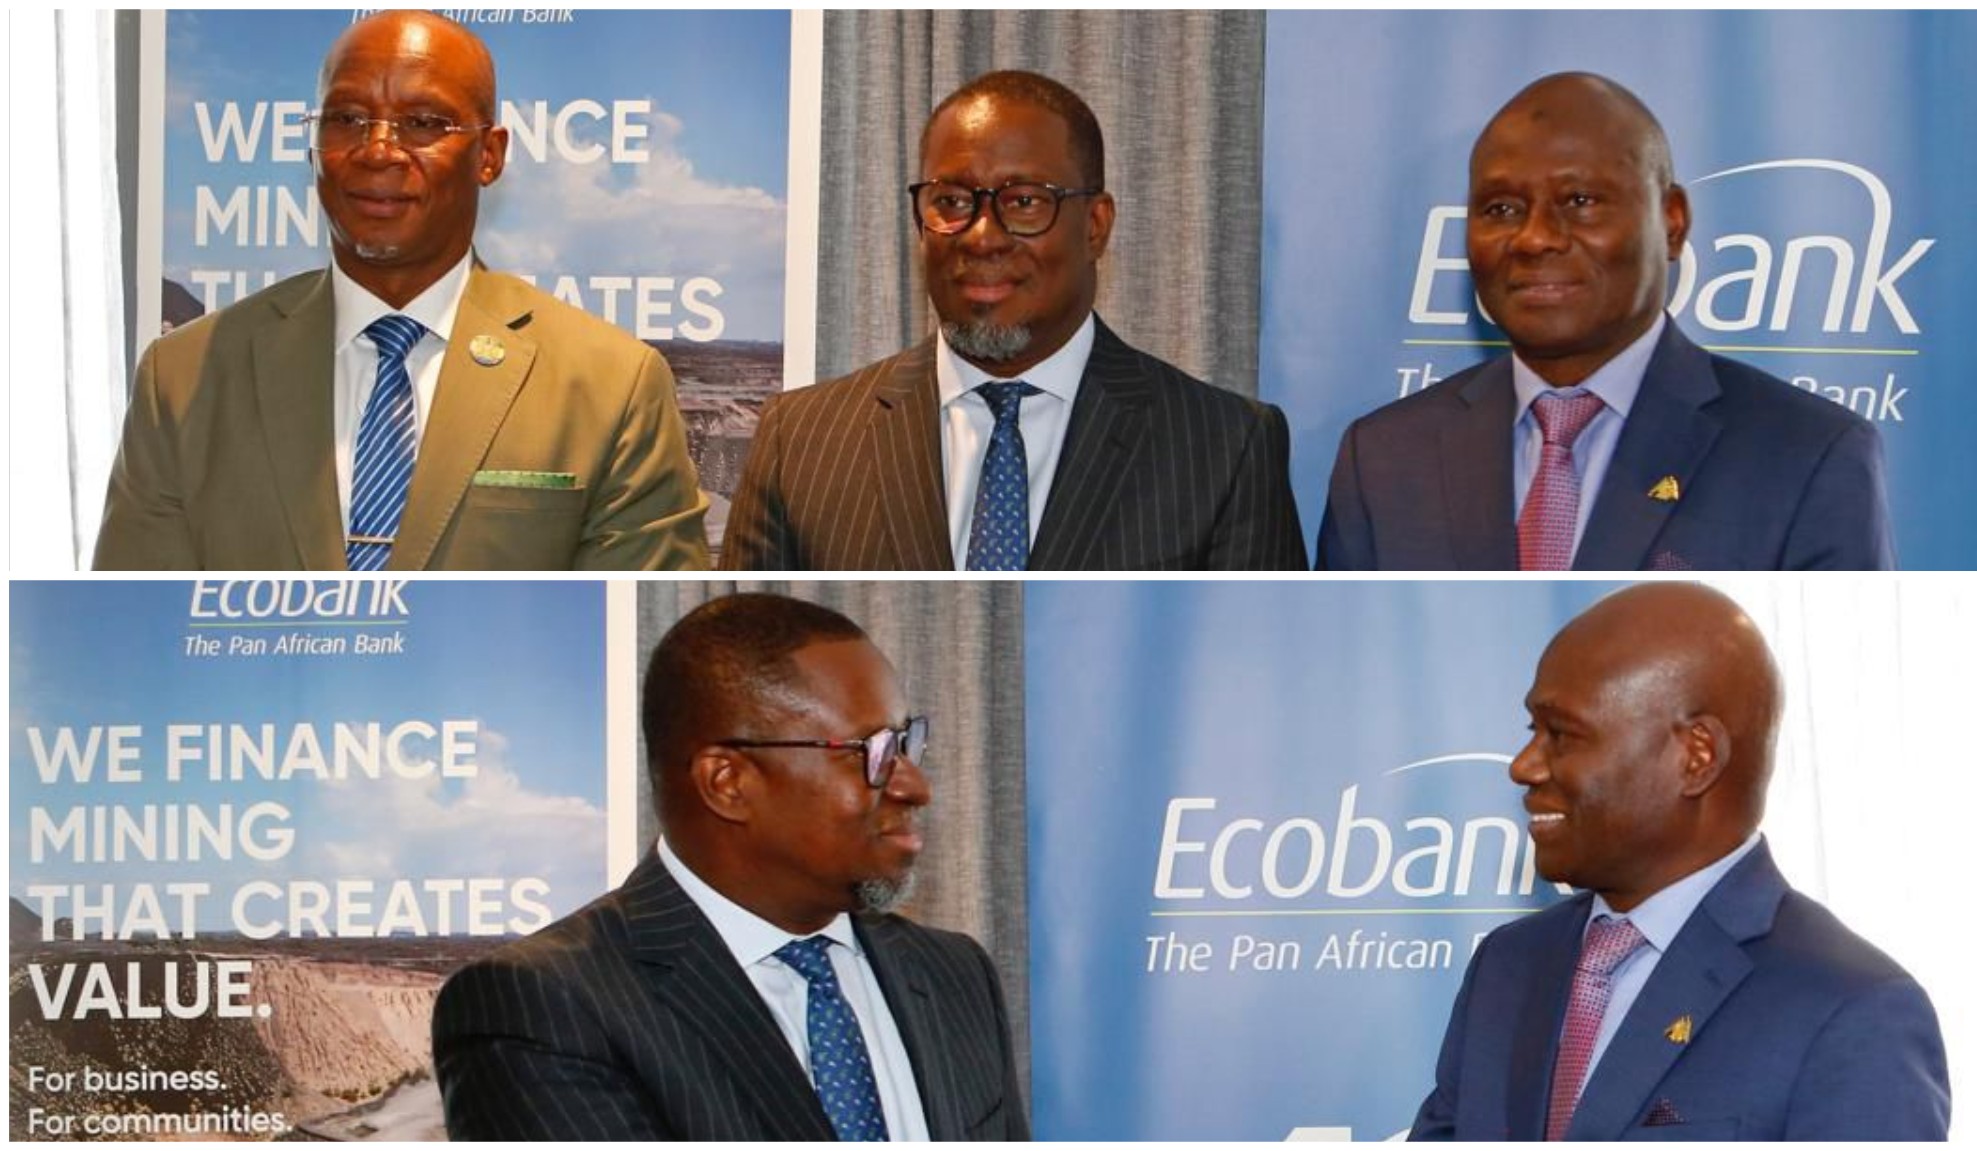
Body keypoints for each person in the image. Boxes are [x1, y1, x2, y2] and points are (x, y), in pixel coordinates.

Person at [95, 11, 709, 570]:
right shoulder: (184, 378)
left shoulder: (611, 386)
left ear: (489, 155)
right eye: (346, 119)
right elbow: (133, 621)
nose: (378, 150)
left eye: (422, 123)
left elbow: (619, 626)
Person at [432, 593, 1029, 1140]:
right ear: (728, 783)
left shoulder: (953, 974)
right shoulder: (543, 1008)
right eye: (871, 752)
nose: (916, 787)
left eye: (906, 743)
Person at [1411, 583, 1948, 1140]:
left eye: (1561, 735)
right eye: (1533, 731)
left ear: (1696, 757)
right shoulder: (1508, 965)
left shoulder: (1851, 1010)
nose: (1523, 766)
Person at [722, 70, 1306, 571]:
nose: (982, 236)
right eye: (951, 202)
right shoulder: (799, 439)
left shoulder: (1226, 448)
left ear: (1095, 226)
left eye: (1024, 201)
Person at [1318, 73, 1895, 571]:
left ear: (1672, 223)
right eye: (1501, 209)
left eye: (1580, 201)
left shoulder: (1807, 454)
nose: (1535, 238)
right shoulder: (1384, 458)